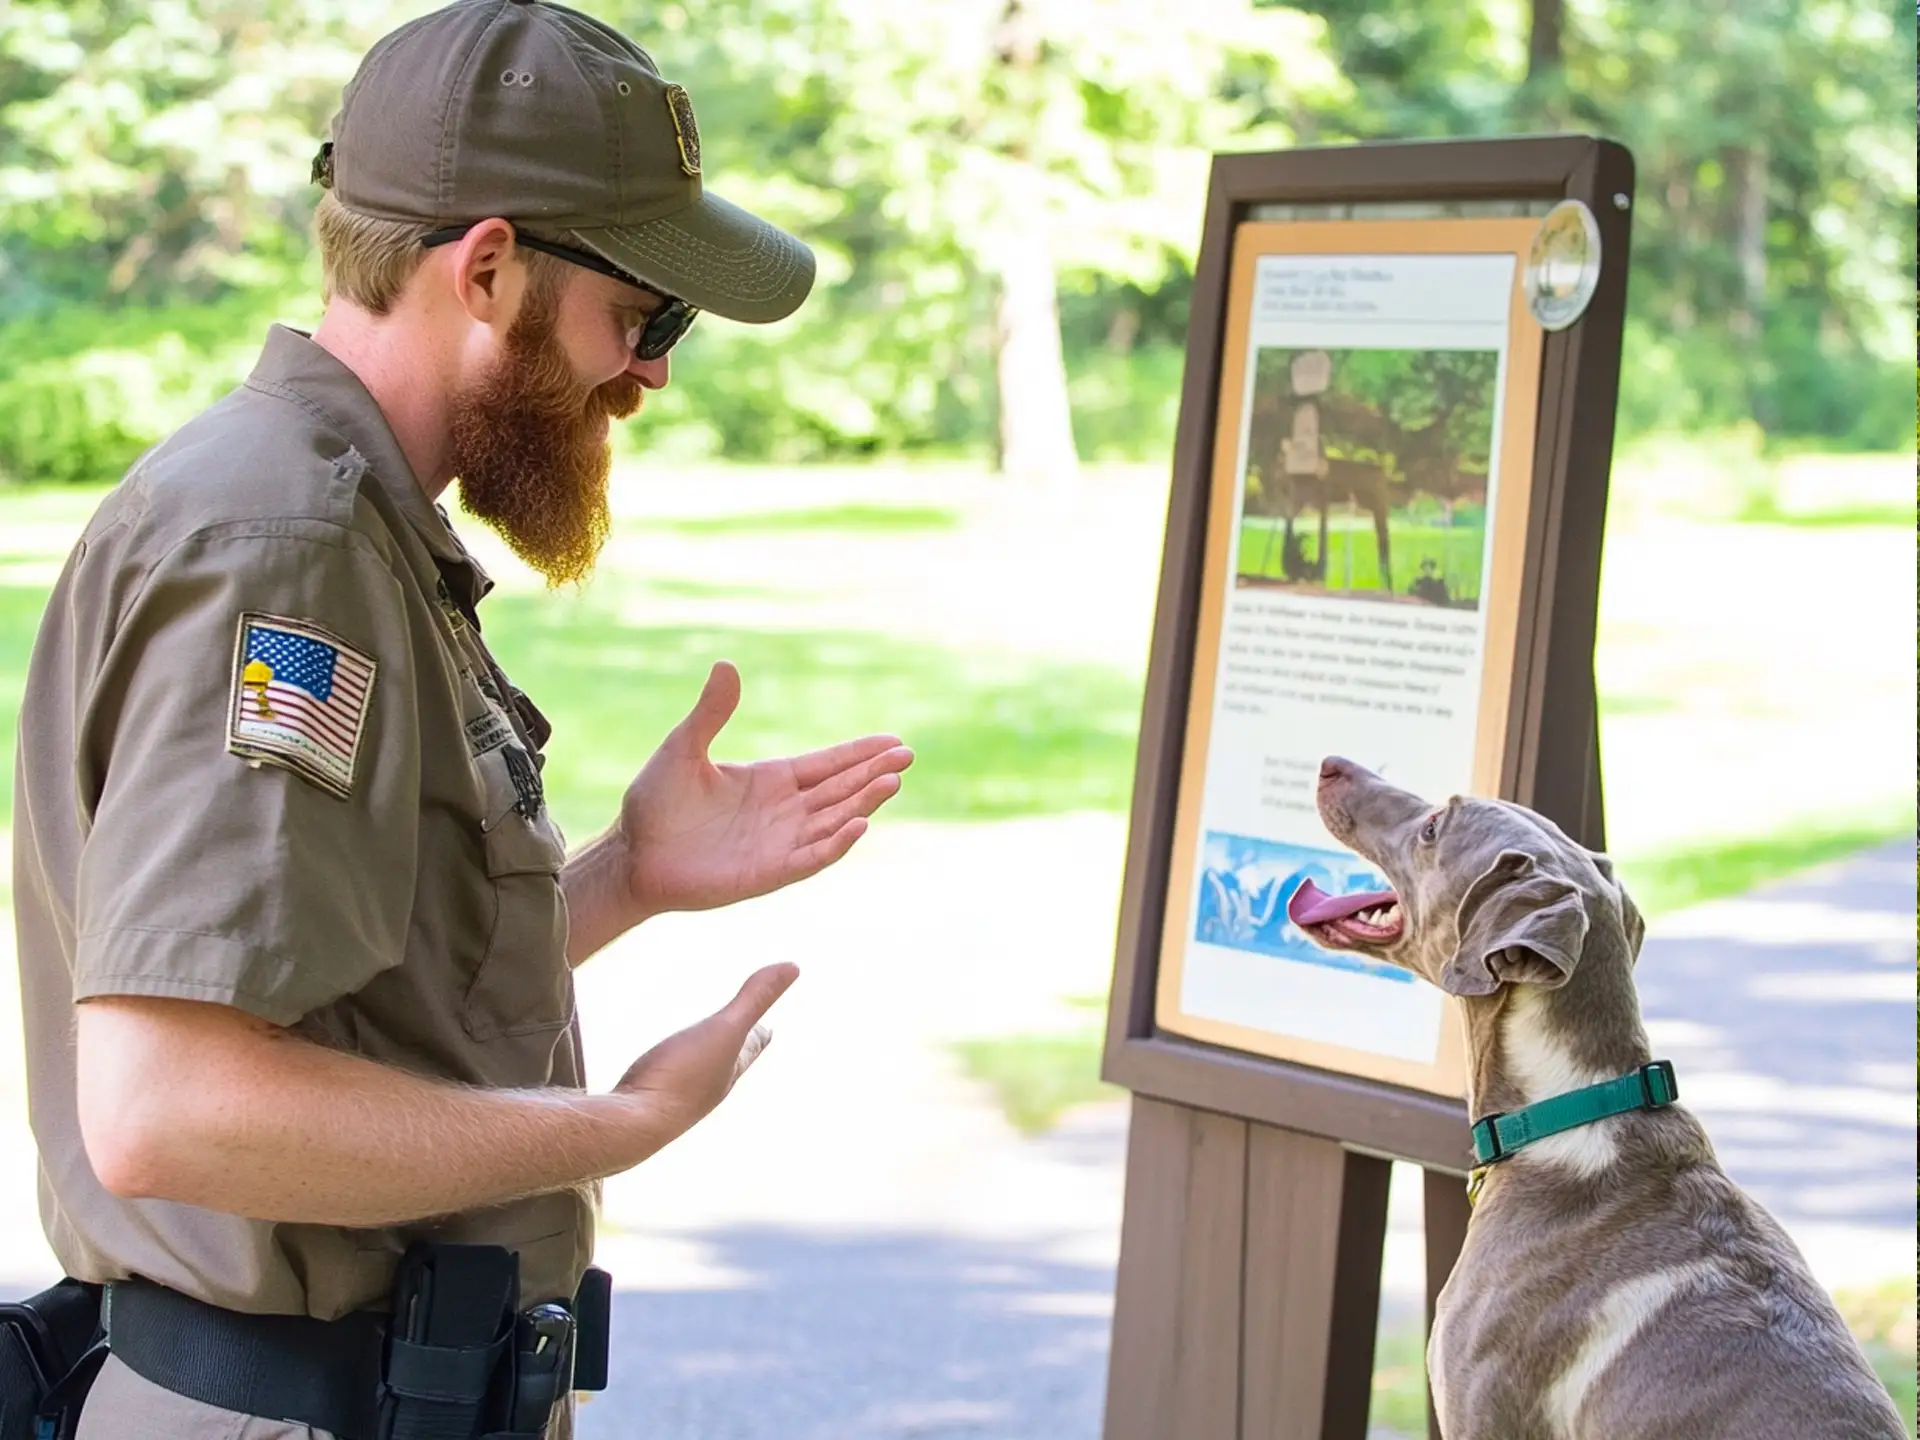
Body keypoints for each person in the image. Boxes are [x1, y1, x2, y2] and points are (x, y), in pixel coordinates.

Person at [8, 2, 913, 1436]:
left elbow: (351, 984)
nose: (653, 368)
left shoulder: (350, 526)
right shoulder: (283, 549)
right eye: (644, 312)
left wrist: (627, 877)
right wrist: (620, 1123)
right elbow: (168, 1106)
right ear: (487, 270)